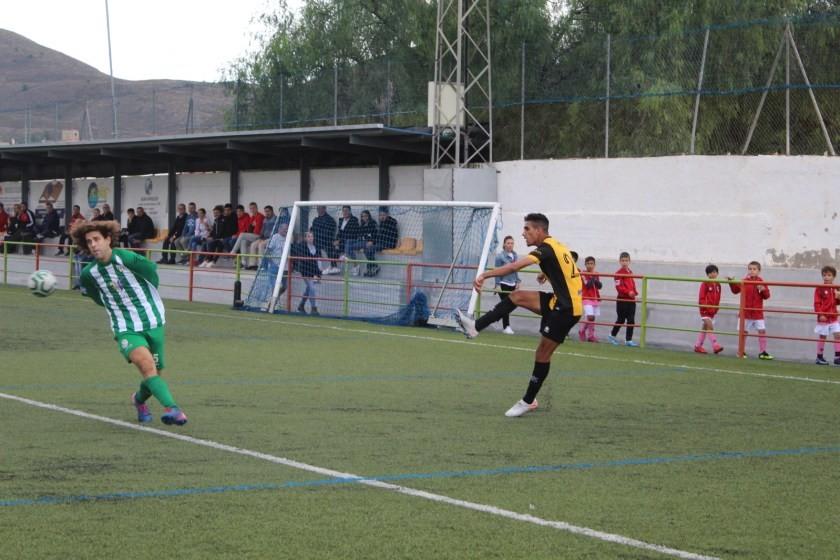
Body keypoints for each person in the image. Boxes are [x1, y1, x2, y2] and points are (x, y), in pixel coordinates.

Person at [455, 213, 582, 418]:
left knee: (542, 354)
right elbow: (570, 269)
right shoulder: (556, 246)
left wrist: (485, 275)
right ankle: (474, 327)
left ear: (539, 231)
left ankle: (528, 401)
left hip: (566, 310)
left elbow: (515, 266)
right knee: (516, 296)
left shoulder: (546, 249)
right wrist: (546, 274)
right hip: (558, 302)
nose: (523, 234)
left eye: (527, 229)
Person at [72, 220, 187, 426]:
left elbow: (151, 271)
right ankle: (173, 409)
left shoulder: (126, 258)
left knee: (155, 374)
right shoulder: (89, 274)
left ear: (108, 239)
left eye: (97, 239)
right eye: (89, 241)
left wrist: (148, 298)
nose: (93, 245)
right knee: (146, 366)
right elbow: (97, 298)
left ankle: (138, 400)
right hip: (125, 328)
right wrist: (117, 306)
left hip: (153, 321)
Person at [728, 261, 773, 360]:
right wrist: (731, 282)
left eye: (754, 269)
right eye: (750, 269)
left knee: (762, 331)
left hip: (757, 313)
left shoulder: (762, 282)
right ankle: (741, 351)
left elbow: (767, 296)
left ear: (759, 271)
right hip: (745, 312)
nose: (752, 271)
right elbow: (735, 291)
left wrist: (763, 289)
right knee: (744, 333)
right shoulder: (744, 281)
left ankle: (762, 352)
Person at [490, 235, 520, 334]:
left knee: (513, 304)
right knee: (506, 305)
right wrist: (497, 284)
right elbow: (497, 271)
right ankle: (506, 327)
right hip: (503, 283)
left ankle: (497, 313)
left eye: (512, 243)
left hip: (512, 283)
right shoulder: (500, 256)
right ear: (504, 244)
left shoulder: (515, 255)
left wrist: (517, 281)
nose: (510, 245)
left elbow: (516, 270)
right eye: (508, 243)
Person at [608, 252, 639, 347]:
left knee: (631, 320)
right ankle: (612, 336)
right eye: (623, 260)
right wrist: (628, 292)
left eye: (626, 260)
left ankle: (628, 340)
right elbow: (619, 287)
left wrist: (634, 292)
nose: (624, 262)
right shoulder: (618, 273)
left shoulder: (630, 272)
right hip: (622, 299)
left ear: (629, 261)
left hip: (631, 300)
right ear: (620, 261)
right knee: (621, 319)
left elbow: (632, 283)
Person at [813, 265, 840, 365]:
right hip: (824, 317)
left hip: (833, 317)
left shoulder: (836, 288)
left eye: (829, 275)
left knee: (838, 334)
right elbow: (816, 303)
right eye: (824, 275)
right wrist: (820, 314)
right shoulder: (819, 288)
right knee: (823, 336)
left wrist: (839, 297)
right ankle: (819, 357)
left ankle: (837, 357)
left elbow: (837, 303)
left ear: (833, 277)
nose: (826, 277)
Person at [695, 264, 724, 354]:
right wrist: (705, 307)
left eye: (715, 272)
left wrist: (716, 308)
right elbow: (701, 297)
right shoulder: (705, 283)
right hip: (705, 310)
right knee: (710, 326)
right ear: (707, 274)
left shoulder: (718, 285)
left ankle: (698, 346)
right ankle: (715, 345)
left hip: (712, 311)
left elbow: (718, 297)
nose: (713, 274)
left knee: (705, 327)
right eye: (711, 273)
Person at [363, 206, 399, 277]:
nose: (382, 217)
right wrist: (373, 242)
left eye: (383, 215)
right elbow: (379, 236)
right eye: (380, 215)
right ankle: (371, 268)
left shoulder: (391, 222)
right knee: (366, 249)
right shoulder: (382, 223)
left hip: (388, 243)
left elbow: (388, 235)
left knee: (369, 249)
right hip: (381, 242)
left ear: (387, 215)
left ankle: (373, 267)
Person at [292, 230, 321, 315]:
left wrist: (319, 273)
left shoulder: (317, 247)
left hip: (314, 271)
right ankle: (313, 309)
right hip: (305, 270)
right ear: (305, 238)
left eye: (311, 236)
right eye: (308, 236)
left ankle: (301, 306)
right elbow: (301, 258)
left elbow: (319, 260)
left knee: (308, 289)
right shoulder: (302, 246)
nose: (310, 238)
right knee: (312, 288)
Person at [229, 202, 265, 269]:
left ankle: (233, 251)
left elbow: (256, 231)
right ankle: (244, 262)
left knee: (242, 234)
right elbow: (249, 229)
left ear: (257, 208)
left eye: (254, 208)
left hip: (259, 236)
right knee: (243, 241)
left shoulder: (260, 216)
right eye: (251, 208)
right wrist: (253, 226)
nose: (252, 210)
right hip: (253, 236)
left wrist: (254, 226)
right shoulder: (252, 217)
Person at [344, 209, 376, 275]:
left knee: (352, 247)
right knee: (349, 242)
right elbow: (360, 236)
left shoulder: (373, 223)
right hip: (362, 242)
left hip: (368, 243)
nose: (364, 218)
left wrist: (372, 241)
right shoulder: (362, 225)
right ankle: (354, 263)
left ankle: (348, 257)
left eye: (366, 216)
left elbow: (375, 235)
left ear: (369, 216)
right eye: (363, 216)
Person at [578, 256, 602, 342]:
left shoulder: (596, 274)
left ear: (594, 265)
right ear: (585, 264)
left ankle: (591, 336)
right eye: (588, 263)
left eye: (591, 264)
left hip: (595, 298)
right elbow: (588, 285)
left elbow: (599, 286)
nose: (590, 265)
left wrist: (595, 278)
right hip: (586, 298)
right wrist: (593, 278)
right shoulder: (583, 274)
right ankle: (582, 331)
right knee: (590, 316)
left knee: (593, 318)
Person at [249, 205, 278, 270]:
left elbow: (276, 231)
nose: (267, 213)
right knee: (253, 244)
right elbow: (262, 230)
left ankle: (262, 265)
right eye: (265, 212)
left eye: (268, 211)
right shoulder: (265, 219)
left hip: (272, 238)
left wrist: (265, 239)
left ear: (272, 211)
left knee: (261, 245)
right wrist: (260, 237)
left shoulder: (276, 219)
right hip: (264, 238)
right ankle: (253, 264)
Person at [311, 205, 337, 272]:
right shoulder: (316, 219)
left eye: (319, 208)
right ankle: (317, 267)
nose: (318, 210)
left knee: (329, 247)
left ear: (324, 209)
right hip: (317, 240)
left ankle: (333, 266)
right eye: (317, 208)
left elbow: (331, 231)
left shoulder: (330, 219)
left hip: (326, 240)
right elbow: (312, 229)